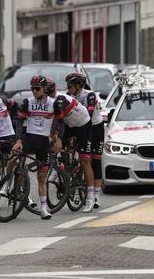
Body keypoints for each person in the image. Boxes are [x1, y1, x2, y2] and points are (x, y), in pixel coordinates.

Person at [11, 75, 63, 220]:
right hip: (29, 138)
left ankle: (44, 209)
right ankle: (12, 188)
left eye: (37, 88)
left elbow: (60, 122)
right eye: (32, 88)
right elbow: (20, 122)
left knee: (41, 177)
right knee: (15, 158)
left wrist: (55, 136)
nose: (34, 91)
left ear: (45, 88)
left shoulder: (54, 103)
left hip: (44, 142)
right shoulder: (28, 102)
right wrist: (18, 140)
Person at [65, 72, 104, 210]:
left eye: (70, 85)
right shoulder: (68, 96)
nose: (68, 87)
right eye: (67, 85)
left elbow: (90, 113)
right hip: (79, 127)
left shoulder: (90, 95)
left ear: (79, 85)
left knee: (95, 159)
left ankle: (96, 196)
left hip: (95, 127)